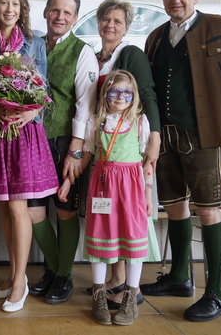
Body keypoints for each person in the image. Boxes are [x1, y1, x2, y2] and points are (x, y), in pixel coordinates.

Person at [140, 0, 221, 322]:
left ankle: (217, 294)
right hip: (165, 136)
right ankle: (179, 277)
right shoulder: (156, 37)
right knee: (174, 207)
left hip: (203, 137)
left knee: (208, 210)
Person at [0, 0, 58, 312]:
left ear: (22, 11)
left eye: (16, 5)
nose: (10, 9)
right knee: (6, 207)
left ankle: (21, 281)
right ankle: (12, 275)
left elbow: (44, 88)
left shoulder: (35, 44)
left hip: (24, 132)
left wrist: (32, 109)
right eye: (4, 4)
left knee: (19, 208)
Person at [59, 69, 152, 325]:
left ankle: (131, 298)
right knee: (101, 239)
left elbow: (147, 163)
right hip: (102, 188)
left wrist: (148, 193)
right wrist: (68, 181)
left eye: (126, 93)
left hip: (131, 189)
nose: (120, 97)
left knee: (132, 241)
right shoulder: (96, 121)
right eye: (115, 92)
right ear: (106, 94)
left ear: (133, 96)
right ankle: (99, 295)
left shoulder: (140, 122)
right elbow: (86, 154)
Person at [88, 0, 162, 310]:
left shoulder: (129, 54)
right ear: (98, 22)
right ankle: (114, 281)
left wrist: (155, 136)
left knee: (128, 221)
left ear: (126, 27)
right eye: (106, 19)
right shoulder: (93, 57)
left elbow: (146, 94)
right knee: (109, 219)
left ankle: (125, 286)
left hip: (129, 154)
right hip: (105, 150)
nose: (110, 26)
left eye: (118, 21)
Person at [27, 0, 98, 304]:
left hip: (63, 142)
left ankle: (63, 275)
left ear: (75, 18)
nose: (60, 16)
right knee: (33, 211)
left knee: (65, 209)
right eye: (55, 10)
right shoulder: (30, 47)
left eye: (67, 12)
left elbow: (86, 104)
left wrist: (76, 150)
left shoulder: (82, 51)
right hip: (30, 140)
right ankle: (56, 269)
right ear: (45, 12)